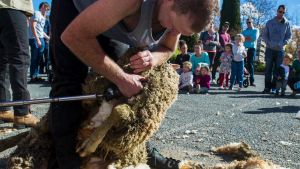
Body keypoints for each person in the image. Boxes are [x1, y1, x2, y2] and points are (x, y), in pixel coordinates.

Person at [49, 0, 217, 168]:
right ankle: (69, 161)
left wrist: (153, 58)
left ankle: (137, 152)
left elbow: (168, 46)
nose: (173, 32)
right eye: (173, 24)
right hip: (74, 10)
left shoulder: (178, 16)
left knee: (124, 88)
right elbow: (73, 36)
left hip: (115, 20)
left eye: (181, 31)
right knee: (70, 84)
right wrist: (121, 78)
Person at [0, 0, 39, 128]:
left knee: (2, 62)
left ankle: (3, 108)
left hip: (5, 8)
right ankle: (22, 112)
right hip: (12, 6)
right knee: (20, 57)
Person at [262, 4, 292, 94]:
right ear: (277, 11)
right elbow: (264, 35)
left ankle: (274, 87)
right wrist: (269, 43)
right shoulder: (269, 22)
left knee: (278, 70)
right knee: (268, 69)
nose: (281, 13)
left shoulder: (287, 23)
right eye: (280, 11)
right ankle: (267, 87)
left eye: (283, 12)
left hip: (280, 51)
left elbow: (289, 36)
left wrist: (284, 43)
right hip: (269, 49)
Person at [28, 2, 50, 82]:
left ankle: (36, 75)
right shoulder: (37, 13)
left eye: (48, 9)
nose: (47, 10)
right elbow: (33, 26)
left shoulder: (43, 17)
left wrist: (48, 38)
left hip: (41, 38)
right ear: (42, 7)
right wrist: (37, 40)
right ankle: (33, 76)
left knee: (38, 58)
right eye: (46, 8)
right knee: (34, 58)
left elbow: (41, 30)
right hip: (35, 38)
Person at [242, 18, 259, 87]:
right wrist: (247, 38)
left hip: (251, 49)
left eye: (249, 22)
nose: (248, 24)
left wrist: (245, 38)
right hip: (243, 49)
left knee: (250, 64)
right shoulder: (244, 31)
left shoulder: (256, 30)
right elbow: (241, 39)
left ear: (252, 22)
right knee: (242, 63)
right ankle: (240, 79)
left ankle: (251, 81)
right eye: (247, 23)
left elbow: (254, 38)